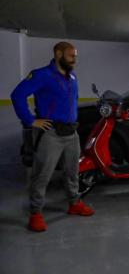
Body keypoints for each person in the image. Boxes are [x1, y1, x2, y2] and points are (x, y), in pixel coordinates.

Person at [11, 42, 95, 232]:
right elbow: (17, 95)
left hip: (71, 133)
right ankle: (36, 213)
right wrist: (30, 120)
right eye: (71, 55)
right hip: (50, 133)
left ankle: (74, 203)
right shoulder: (42, 75)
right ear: (58, 54)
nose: (75, 59)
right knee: (42, 175)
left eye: (75, 56)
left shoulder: (72, 76)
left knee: (72, 172)